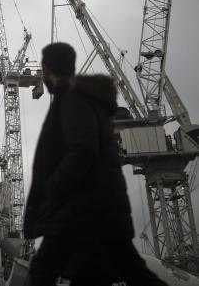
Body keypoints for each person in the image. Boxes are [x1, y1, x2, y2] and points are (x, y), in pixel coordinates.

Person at [23, 42, 167, 286]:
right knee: (116, 273)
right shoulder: (86, 100)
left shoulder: (71, 99)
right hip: (97, 211)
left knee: (41, 272)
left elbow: (83, 151)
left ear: (46, 69)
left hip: (77, 212)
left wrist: (53, 187)